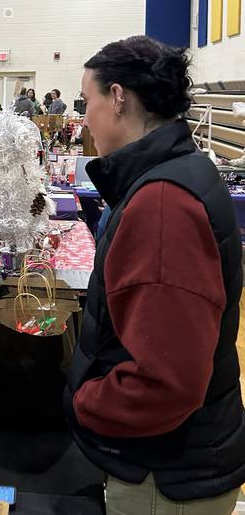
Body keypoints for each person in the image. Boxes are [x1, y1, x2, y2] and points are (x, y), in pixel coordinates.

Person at [65, 35, 245, 514]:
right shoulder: (173, 172)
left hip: (167, 479)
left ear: (119, 97)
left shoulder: (163, 204)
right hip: (172, 463)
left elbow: (167, 381)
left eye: (88, 101)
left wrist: (85, 402)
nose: (83, 118)